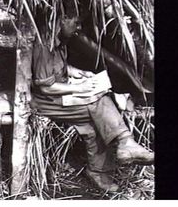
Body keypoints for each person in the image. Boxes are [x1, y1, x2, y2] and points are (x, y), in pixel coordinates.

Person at [30, 12, 154, 192]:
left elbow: (60, 68)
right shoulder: (44, 45)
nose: (78, 27)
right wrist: (80, 89)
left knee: (94, 122)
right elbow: (45, 87)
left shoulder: (60, 39)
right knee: (99, 102)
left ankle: (101, 168)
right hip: (45, 102)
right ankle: (124, 144)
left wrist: (76, 72)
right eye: (75, 21)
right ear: (63, 18)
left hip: (59, 96)